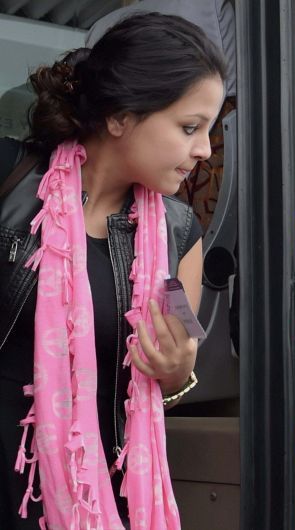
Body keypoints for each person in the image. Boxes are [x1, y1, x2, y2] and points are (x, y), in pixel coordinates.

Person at [0, 12, 226, 529]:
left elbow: (174, 370)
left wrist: (175, 370)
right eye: (190, 127)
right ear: (120, 116)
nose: (205, 150)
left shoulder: (178, 233)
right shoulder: (9, 180)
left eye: (209, 130)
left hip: (98, 493)